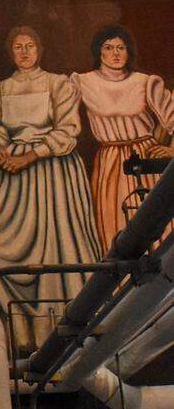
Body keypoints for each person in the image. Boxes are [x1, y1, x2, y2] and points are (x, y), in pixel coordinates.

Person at [0, 26, 101, 346]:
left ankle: (60, 334)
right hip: (13, 174)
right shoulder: (1, 89)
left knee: (56, 245)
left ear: (39, 50)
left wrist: (31, 155)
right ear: (11, 52)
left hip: (54, 171)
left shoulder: (58, 83)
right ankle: (10, 336)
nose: (25, 52)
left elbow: (68, 131)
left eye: (30, 46)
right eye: (18, 47)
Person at [71, 25, 174, 252]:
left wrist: (171, 151)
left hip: (146, 161)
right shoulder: (82, 82)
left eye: (121, 47)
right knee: (116, 228)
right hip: (110, 166)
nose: (116, 53)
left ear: (129, 52)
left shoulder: (146, 82)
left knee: (155, 228)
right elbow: (64, 121)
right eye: (109, 48)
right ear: (99, 52)